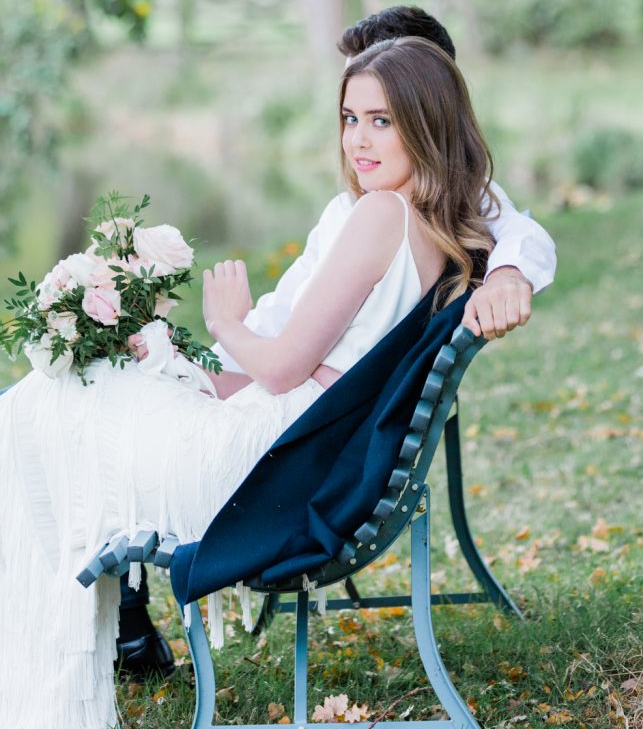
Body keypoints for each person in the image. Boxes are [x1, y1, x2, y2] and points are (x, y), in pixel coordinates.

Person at [0, 36, 555, 729]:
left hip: (260, 473)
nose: (359, 139)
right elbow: (310, 380)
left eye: (382, 120)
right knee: (68, 395)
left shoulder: (383, 215)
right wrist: (191, 371)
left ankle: (75, 662)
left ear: (428, 123)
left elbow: (286, 367)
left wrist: (227, 323)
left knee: (41, 404)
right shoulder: (451, 233)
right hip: (287, 460)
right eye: (350, 118)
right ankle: (107, 644)